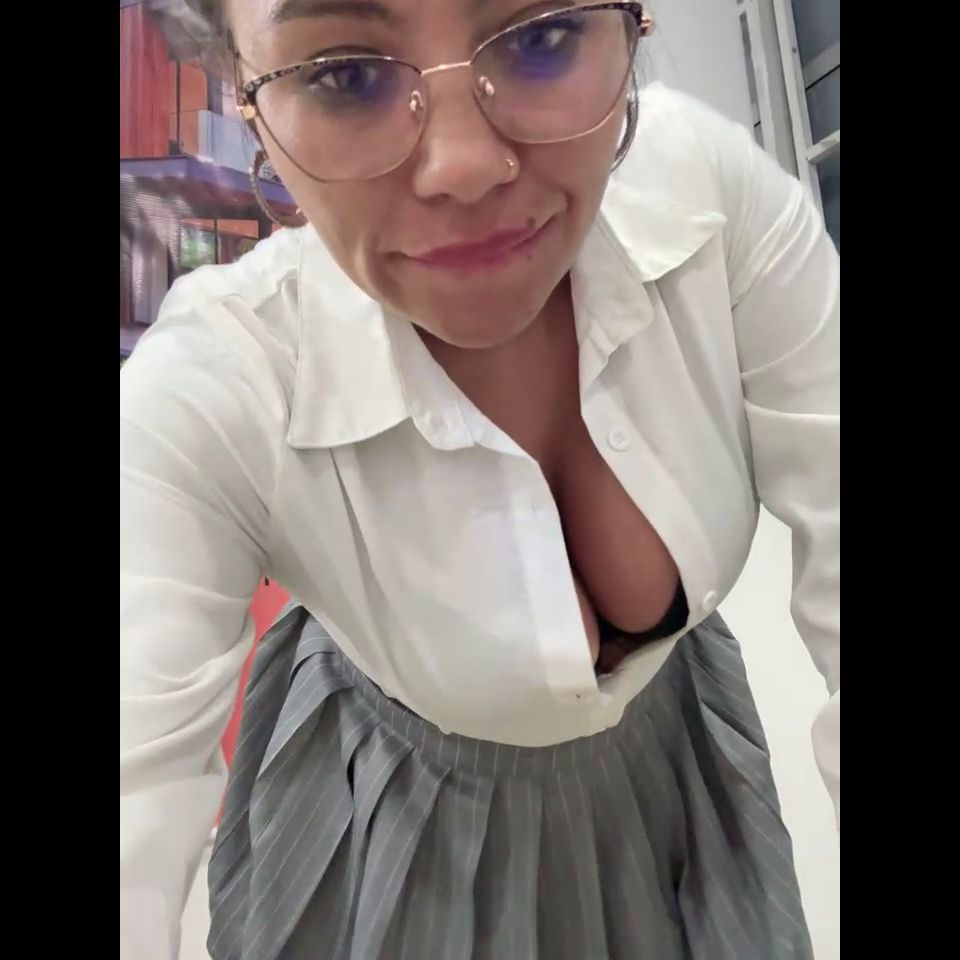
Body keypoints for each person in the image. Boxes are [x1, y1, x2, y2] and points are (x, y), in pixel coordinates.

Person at [119, 1, 839, 957]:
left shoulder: (708, 198)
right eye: (342, 74)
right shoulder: (220, 376)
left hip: (680, 782)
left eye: (542, 36)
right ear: (249, 101)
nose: (462, 165)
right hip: (389, 825)